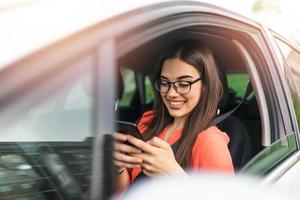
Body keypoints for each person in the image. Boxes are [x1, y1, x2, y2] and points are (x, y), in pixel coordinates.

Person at [113, 39, 234, 194]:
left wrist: (174, 176)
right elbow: (124, 192)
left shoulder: (210, 142)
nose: (171, 93)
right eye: (165, 83)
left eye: (184, 84)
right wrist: (118, 166)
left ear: (205, 86)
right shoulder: (148, 120)